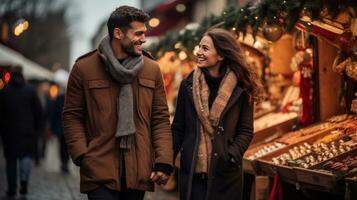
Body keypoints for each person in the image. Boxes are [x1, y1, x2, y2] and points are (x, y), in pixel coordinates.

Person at [62, 5, 173, 200]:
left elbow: (160, 119)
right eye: (138, 33)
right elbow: (72, 116)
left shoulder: (152, 69)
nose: (144, 38)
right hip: (98, 168)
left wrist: (163, 161)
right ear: (118, 33)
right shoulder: (84, 68)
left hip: (137, 171)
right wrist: (82, 155)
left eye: (144, 33)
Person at [172, 28, 262, 200]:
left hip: (225, 175)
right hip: (193, 173)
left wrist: (231, 155)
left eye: (205, 48)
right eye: (199, 47)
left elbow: (245, 131)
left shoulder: (241, 88)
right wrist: (165, 163)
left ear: (221, 55)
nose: (198, 52)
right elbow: (178, 129)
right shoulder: (187, 86)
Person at [0, 69, 42, 197]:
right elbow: (38, 112)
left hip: (9, 134)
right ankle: (24, 183)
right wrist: (36, 128)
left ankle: (12, 188)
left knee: (11, 161)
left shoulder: (5, 92)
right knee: (25, 158)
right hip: (27, 132)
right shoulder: (30, 91)